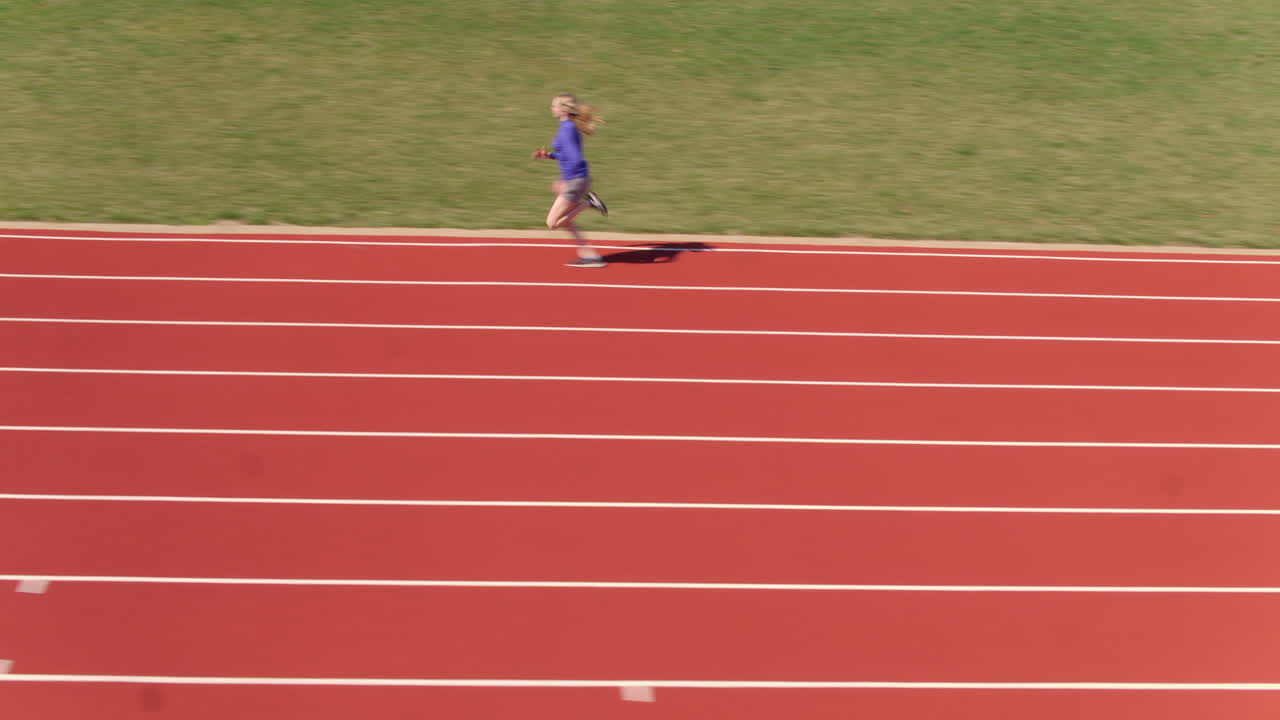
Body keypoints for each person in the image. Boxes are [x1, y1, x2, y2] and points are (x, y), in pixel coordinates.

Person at [531, 93, 609, 267]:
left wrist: (566, 181)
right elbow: (566, 155)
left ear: (562, 109)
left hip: (575, 181)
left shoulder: (566, 129)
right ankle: (589, 255)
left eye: (554, 106)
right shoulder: (568, 127)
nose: (551, 109)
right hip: (577, 180)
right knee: (566, 220)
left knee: (552, 223)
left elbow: (574, 158)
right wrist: (548, 155)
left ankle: (589, 203)